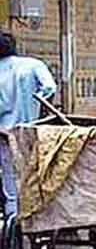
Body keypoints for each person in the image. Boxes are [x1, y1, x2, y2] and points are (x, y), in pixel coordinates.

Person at [0, 32, 58, 218]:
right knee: (31, 175)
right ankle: (33, 218)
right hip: (29, 131)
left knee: (10, 180)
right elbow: (49, 88)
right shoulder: (33, 65)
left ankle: (13, 224)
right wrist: (37, 104)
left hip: (4, 133)